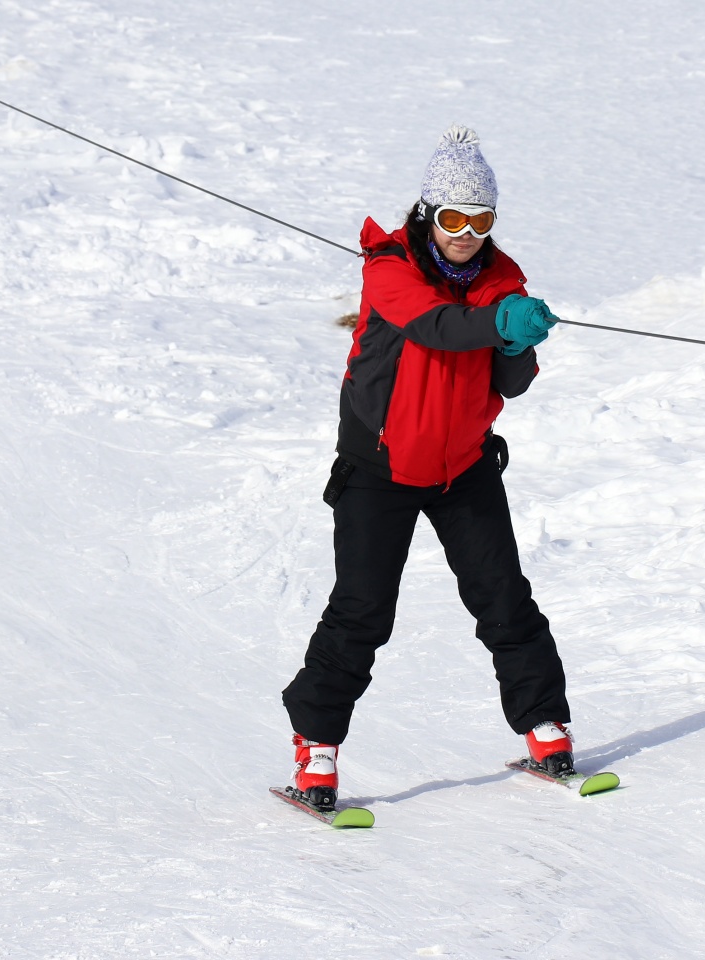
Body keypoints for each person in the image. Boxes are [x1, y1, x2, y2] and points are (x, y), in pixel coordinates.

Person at [281, 125, 572, 811]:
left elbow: (511, 381)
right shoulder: (388, 271)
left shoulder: (504, 281)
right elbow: (436, 327)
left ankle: (544, 726)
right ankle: (316, 751)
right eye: (453, 218)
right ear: (426, 213)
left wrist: (521, 341)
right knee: (362, 612)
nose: (467, 232)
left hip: (463, 465)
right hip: (378, 469)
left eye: (481, 219)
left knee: (504, 599)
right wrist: (499, 325)